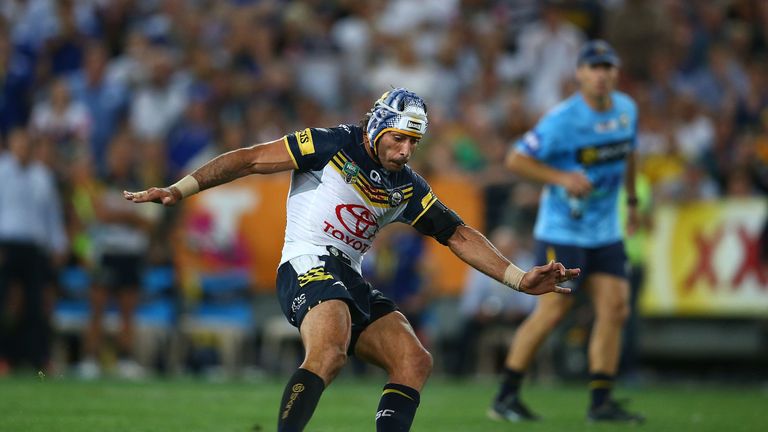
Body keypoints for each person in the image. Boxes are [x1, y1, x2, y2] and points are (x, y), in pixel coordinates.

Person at [125, 88, 579, 432]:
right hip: (306, 263)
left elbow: (457, 233)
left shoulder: (408, 185)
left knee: (414, 360)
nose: (405, 151)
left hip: (348, 273)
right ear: (378, 127)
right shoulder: (329, 143)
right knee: (329, 348)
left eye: (413, 143)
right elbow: (248, 160)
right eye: (398, 138)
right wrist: (179, 189)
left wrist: (520, 279)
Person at [489, 40, 645, 423]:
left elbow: (629, 153)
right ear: (579, 74)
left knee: (615, 308)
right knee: (554, 310)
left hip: (606, 229)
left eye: (607, 66)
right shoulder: (563, 119)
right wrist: (560, 177)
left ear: (616, 72)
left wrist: (632, 201)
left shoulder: (627, 109)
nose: (601, 73)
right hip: (564, 230)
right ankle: (505, 396)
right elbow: (515, 159)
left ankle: (600, 402)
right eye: (594, 67)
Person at [0, 129, 67, 374]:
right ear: (11, 145)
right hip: (6, 245)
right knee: (6, 304)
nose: (23, 149)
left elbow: (52, 214)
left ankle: (38, 358)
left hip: (36, 248)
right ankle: (5, 357)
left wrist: (58, 244)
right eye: (18, 144)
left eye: (27, 144)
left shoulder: (42, 176)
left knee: (37, 305)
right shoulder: (2, 172)